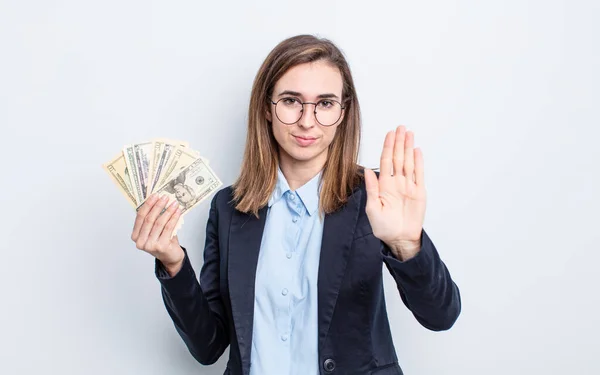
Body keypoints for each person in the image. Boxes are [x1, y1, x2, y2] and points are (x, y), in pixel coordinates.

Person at [131, 34, 461, 375]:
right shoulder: (228, 209)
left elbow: (441, 316)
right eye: (291, 101)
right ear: (266, 108)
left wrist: (407, 245)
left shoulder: (377, 196)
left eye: (326, 103)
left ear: (343, 112)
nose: (307, 120)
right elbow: (209, 346)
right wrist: (173, 265)